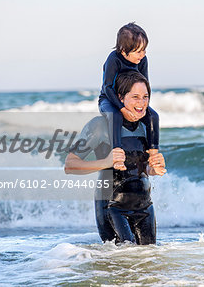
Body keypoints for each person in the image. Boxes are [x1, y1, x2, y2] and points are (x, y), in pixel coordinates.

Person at [65, 71, 166, 245]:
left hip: (145, 208)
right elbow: (70, 165)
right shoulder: (99, 125)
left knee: (149, 264)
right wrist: (106, 162)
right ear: (120, 97)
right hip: (112, 207)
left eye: (145, 97)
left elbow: (142, 169)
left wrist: (153, 169)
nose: (141, 103)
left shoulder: (146, 125)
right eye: (135, 97)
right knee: (123, 264)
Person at [98, 22, 160, 171]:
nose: (143, 55)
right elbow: (108, 87)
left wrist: (143, 107)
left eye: (144, 50)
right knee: (116, 116)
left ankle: (153, 156)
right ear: (124, 51)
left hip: (132, 100)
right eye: (138, 51)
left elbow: (146, 87)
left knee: (153, 116)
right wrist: (122, 109)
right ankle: (117, 156)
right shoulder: (114, 59)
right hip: (109, 99)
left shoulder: (143, 61)